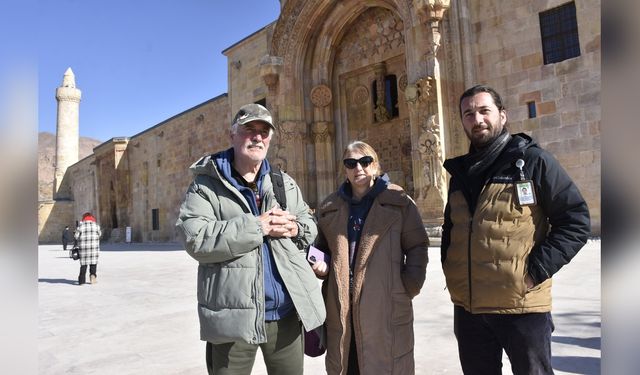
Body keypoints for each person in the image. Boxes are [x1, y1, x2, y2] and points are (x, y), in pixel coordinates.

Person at [441, 84, 591, 374]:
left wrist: (535, 270)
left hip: (521, 307)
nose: (477, 119)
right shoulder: (459, 175)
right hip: (470, 309)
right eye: (469, 113)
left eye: (484, 111)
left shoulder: (533, 162)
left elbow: (575, 219)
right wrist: (451, 268)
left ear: (503, 115)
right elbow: (451, 229)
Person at [175, 103, 325, 375]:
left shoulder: (283, 182)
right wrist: (257, 226)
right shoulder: (206, 185)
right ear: (232, 134)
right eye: (249, 130)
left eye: (264, 131)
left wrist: (295, 229)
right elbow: (194, 238)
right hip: (233, 318)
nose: (257, 137)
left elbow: (310, 226)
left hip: (285, 314)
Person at [312, 141, 429, 374]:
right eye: (351, 163)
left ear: (375, 165)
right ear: (344, 169)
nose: (359, 168)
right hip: (342, 308)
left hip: (385, 306)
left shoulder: (400, 202)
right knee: (348, 364)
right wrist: (320, 265)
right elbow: (320, 247)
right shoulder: (329, 207)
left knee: (385, 364)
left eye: (365, 162)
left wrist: (409, 285)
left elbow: (417, 245)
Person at [74, 212, 101, 285]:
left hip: (84, 249)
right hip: (94, 248)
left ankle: (81, 281)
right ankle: (93, 277)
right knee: (93, 263)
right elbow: (100, 234)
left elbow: (76, 236)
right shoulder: (96, 226)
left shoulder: (81, 226)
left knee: (83, 264)